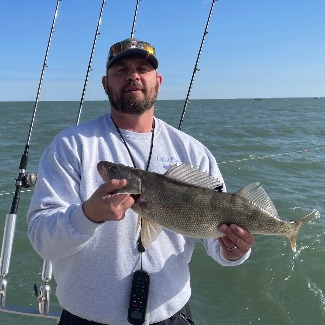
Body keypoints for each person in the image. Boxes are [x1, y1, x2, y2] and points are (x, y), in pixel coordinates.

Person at [27, 38, 254, 325]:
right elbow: (41, 241)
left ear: (157, 81)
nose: (132, 75)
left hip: (172, 314)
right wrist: (88, 215)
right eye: (120, 70)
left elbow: (215, 240)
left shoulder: (193, 151)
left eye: (142, 68)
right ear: (105, 83)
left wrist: (232, 251)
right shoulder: (71, 146)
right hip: (86, 317)